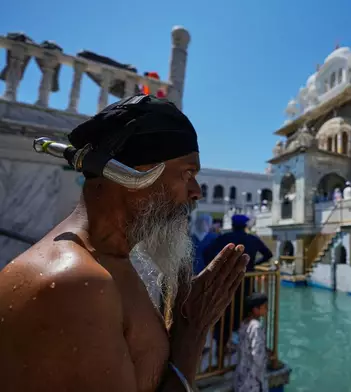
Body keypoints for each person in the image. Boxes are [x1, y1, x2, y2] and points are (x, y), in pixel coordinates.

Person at [0, 94, 250, 391]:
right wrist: (192, 333)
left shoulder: (111, 262)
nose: (196, 191)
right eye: (187, 173)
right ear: (133, 174)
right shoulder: (78, 282)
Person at [204, 214, 273, 362]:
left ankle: (220, 357)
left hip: (228, 283)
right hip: (247, 285)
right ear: (245, 226)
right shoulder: (252, 239)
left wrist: (220, 267)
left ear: (233, 225)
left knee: (225, 318)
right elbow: (269, 254)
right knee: (246, 315)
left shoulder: (225, 237)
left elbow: (207, 252)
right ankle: (248, 352)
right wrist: (253, 266)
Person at [234, 293, 270, 392]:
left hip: (241, 376)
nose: (267, 309)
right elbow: (258, 356)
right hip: (253, 381)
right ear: (255, 309)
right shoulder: (256, 327)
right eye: (265, 307)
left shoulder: (244, 323)